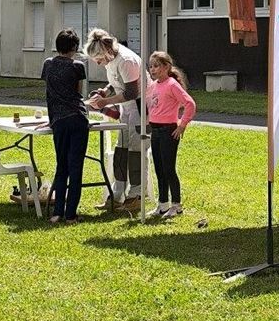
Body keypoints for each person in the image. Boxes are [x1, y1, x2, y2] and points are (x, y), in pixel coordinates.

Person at [84, 29, 144, 212]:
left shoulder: (126, 60)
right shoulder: (111, 59)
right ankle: (117, 195)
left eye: (99, 60)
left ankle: (136, 196)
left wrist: (105, 101)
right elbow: (116, 82)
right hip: (126, 108)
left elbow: (131, 92)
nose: (99, 64)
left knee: (135, 151)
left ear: (106, 53)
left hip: (141, 109)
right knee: (121, 149)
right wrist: (104, 91)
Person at [41, 28, 89, 224]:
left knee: (61, 166)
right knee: (75, 166)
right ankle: (71, 214)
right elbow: (77, 91)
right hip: (77, 118)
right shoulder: (78, 66)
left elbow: (50, 91)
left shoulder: (48, 64)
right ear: (75, 47)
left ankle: (57, 212)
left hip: (58, 119)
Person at [145, 51, 196, 218]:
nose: (153, 70)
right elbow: (150, 106)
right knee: (159, 168)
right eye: (151, 66)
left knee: (168, 169)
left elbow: (189, 104)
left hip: (169, 131)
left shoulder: (172, 84)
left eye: (156, 66)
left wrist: (182, 125)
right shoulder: (152, 86)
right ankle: (162, 203)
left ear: (166, 67)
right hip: (156, 131)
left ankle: (176, 204)